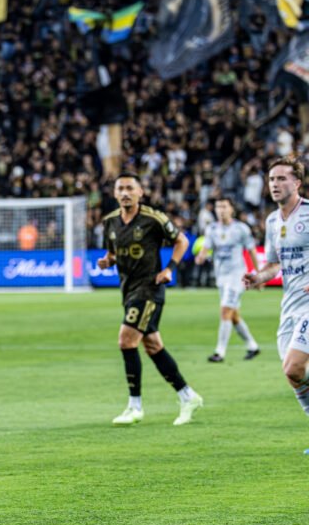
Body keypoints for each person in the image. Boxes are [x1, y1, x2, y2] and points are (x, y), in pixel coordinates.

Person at [97, 172, 203, 426]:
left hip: (149, 289)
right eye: (120, 188)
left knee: (126, 340)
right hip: (128, 289)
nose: (125, 192)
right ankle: (188, 396)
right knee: (153, 345)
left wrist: (169, 269)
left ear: (140, 192)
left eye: (129, 188)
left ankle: (135, 406)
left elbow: (181, 240)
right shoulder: (110, 222)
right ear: (114, 193)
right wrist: (107, 260)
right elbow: (112, 252)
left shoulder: (152, 218)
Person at [243, 158, 309, 453]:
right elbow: (273, 265)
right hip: (290, 305)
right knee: (292, 374)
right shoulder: (272, 221)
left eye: (282, 179)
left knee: (294, 366)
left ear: (297, 183)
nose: (275, 184)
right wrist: (258, 277)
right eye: (271, 179)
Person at [195, 197, 260, 362]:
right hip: (221, 277)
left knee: (225, 310)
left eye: (224, 206)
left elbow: (251, 250)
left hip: (237, 276)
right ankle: (252, 345)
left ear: (232, 209)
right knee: (233, 315)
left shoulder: (241, 228)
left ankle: (220, 352)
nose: (221, 210)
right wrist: (201, 257)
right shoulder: (212, 229)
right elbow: (206, 247)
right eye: (218, 206)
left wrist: (259, 274)